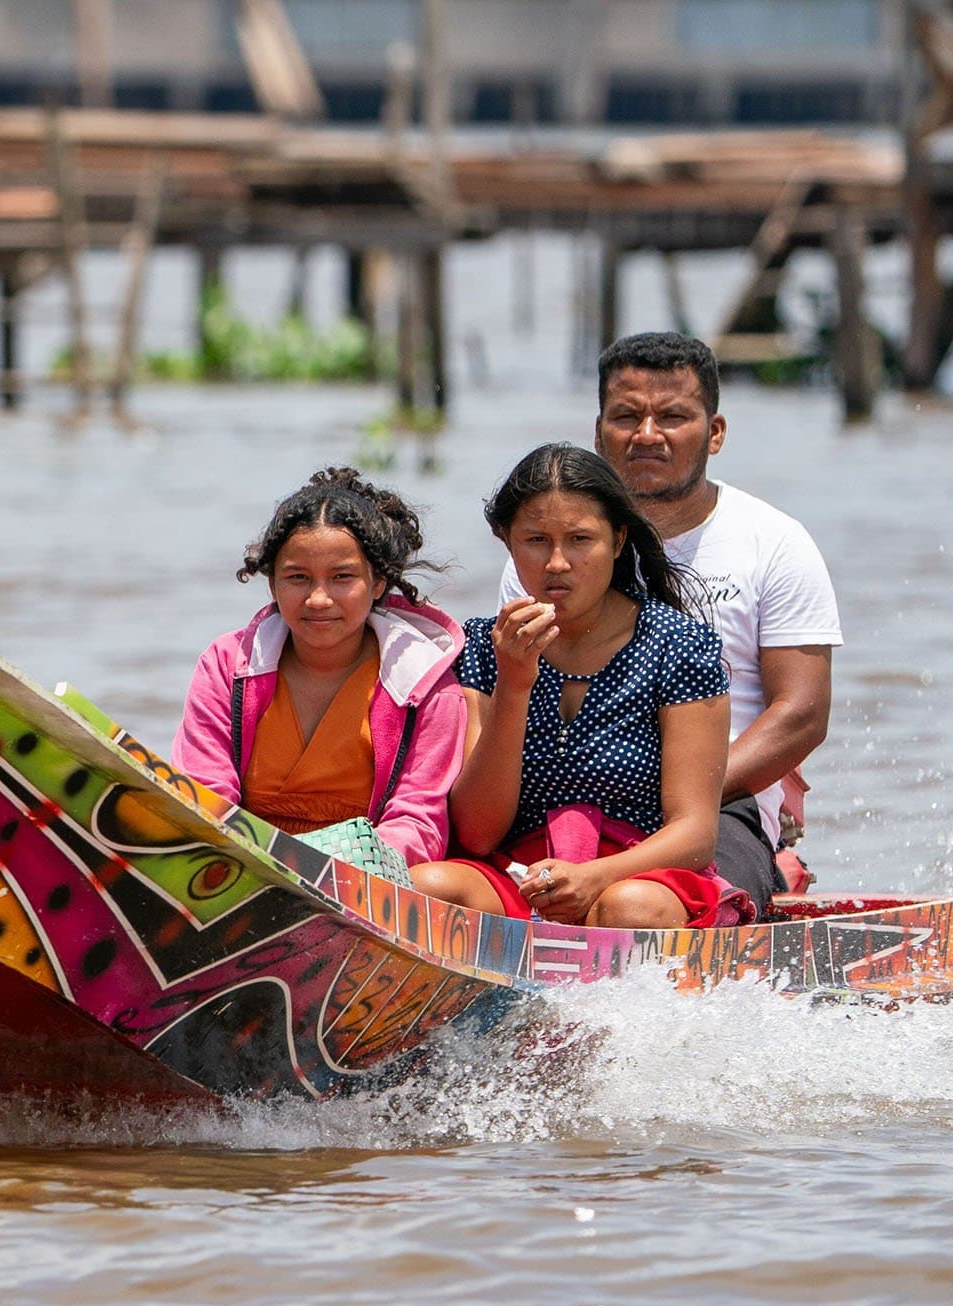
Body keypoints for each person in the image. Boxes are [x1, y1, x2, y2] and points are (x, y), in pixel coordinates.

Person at [497, 332, 839, 911]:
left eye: (673, 417)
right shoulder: (544, 558)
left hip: (727, 801)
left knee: (644, 903)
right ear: (598, 431)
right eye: (627, 416)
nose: (647, 435)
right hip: (569, 788)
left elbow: (801, 715)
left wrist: (680, 790)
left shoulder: (774, 543)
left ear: (716, 432)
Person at [412, 443, 751, 929]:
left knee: (625, 908)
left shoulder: (679, 645)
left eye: (578, 540)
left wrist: (595, 877)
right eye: (535, 541)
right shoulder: (486, 649)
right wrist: (515, 683)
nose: (556, 563)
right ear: (508, 542)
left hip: (641, 873)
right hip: (520, 872)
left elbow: (695, 834)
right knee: (428, 890)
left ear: (617, 540)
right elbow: (479, 833)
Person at [171, 467, 468, 871]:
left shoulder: (426, 683)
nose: (318, 599)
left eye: (342, 577)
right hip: (240, 871)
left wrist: (328, 867)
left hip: (366, 883)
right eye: (298, 578)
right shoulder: (226, 666)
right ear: (272, 583)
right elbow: (204, 793)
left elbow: (419, 822)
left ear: (378, 582)